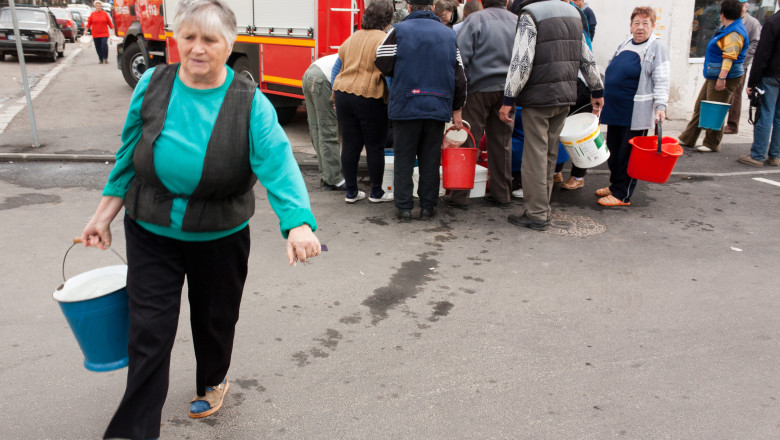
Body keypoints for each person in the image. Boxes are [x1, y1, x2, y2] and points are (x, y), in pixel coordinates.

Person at [79, 0, 321, 438]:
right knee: (149, 331)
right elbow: (128, 155)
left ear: (229, 44)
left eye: (209, 39)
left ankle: (212, 379)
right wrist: (102, 217)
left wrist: (298, 223)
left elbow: (278, 163)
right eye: (188, 37)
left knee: (214, 320)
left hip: (219, 235)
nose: (196, 48)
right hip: (150, 230)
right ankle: (134, 431)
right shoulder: (152, 83)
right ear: (176, 38)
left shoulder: (249, 103)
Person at [499, 0, 603, 231]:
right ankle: (542, 209)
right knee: (548, 154)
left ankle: (536, 213)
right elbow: (586, 56)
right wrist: (597, 89)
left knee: (534, 157)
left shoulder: (531, 14)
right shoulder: (574, 13)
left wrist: (509, 98)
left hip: (539, 98)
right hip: (565, 95)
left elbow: (521, 61)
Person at [375, 0, 467, 221]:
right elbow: (460, 77)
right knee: (430, 159)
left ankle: (404, 208)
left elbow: (382, 61)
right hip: (437, 106)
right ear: (432, 7)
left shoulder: (399, 31)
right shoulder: (449, 35)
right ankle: (427, 207)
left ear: (409, 7)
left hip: (406, 105)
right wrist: (457, 109)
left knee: (404, 159)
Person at [441, 0, 517, 210]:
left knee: (469, 139)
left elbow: (460, 58)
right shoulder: (517, 21)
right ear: (506, 2)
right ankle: (502, 194)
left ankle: (460, 196)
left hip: (478, 88)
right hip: (508, 91)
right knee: (502, 141)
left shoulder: (475, 20)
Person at [595, 6, 670, 207]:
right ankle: (615, 185)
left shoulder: (656, 47)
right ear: (630, 26)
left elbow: (662, 78)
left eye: (645, 23)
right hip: (615, 109)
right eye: (637, 23)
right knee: (614, 152)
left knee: (628, 155)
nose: (640, 27)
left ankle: (622, 194)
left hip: (634, 112)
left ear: (653, 26)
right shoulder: (625, 43)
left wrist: (661, 106)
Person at [332, 0, 395, 204]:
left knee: (350, 144)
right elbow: (389, 74)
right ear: (387, 21)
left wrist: (334, 94)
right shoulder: (384, 40)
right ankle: (376, 192)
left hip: (343, 94)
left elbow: (337, 68)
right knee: (375, 146)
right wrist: (393, 99)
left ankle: (351, 192)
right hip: (370, 96)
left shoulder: (352, 38)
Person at [678, 0, 748, 153]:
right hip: (715, 75)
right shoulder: (728, 28)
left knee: (715, 109)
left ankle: (712, 143)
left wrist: (722, 79)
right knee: (701, 106)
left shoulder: (734, 33)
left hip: (724, 77)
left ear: (723, 14)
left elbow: (729, 57)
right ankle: (688, 138)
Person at [557, 0, 597, 190]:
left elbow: (586, 52)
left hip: (579, 81)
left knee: (579, 132)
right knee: (559, 129)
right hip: (564, 81)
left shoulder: (577, 13)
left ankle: (578, 176)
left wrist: (595, 87)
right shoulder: (558, 11)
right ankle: (557, 171)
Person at [739, 0, 780, 167]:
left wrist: (752, 81)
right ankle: (775, 155)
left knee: (765, 114)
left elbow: (762, 54)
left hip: (771, 74)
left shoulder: (773, 22)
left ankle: (758, 155)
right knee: (778, 116)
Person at [302, 54, 347, 191]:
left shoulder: (352, 48)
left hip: (310, 73)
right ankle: (333, 179)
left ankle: (326, 176)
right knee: (328, 130)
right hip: (322, 79)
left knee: (316, 128)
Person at [725, 0, 762, 134]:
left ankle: (732, 125)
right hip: (726, 62)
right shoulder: (730, 19)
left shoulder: (752, 23)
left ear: (746, 6)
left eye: (742, 5)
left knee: (735, 94)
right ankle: (717, 122)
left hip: (740, 64)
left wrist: (742, 57)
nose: (740, 7)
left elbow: (756, 43)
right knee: (723, 93)